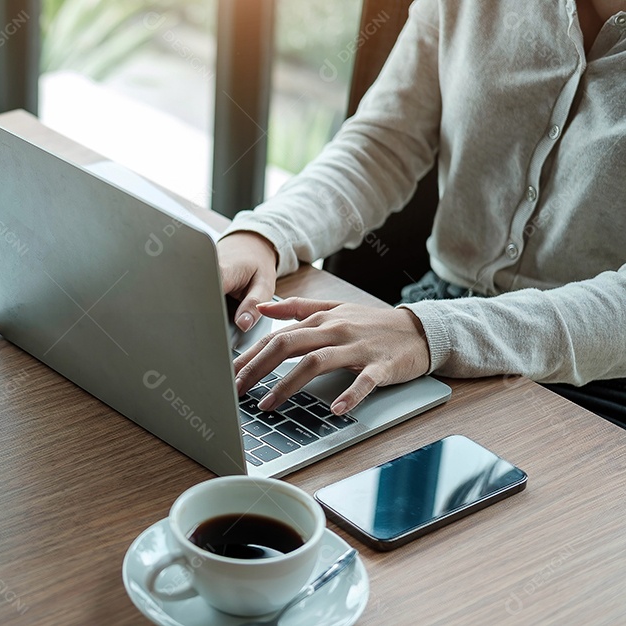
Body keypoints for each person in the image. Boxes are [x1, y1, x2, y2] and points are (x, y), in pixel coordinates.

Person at [218, 0, 626, 426]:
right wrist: (264, 234)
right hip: (436, 313)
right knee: (282, 432)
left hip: (602, 383)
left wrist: (430, 332)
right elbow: (384, 143)